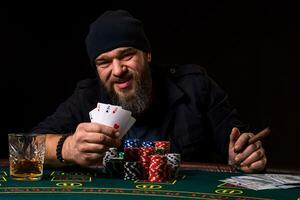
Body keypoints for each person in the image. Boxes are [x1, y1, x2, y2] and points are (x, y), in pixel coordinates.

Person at [33, 10, 267, 173]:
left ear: (147, 55)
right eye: (104, 62)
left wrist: (244, 155)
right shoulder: (87, 96)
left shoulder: (196, 86)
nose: (117, 70)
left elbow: (239, 143)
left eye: (126, 55)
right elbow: (30, 146)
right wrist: (69, 147)